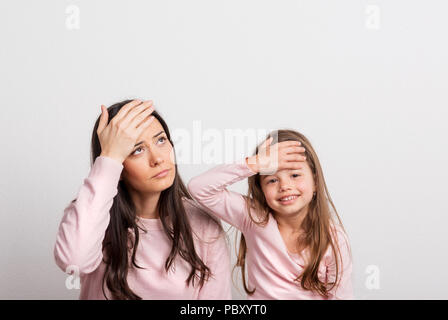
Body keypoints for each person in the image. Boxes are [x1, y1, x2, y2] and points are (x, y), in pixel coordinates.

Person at [54, 99, 231, 299]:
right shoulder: (90, 214)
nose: (157, 158)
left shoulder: (203, 225)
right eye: (137, 149)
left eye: (161, 140)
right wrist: (110, 157)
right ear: (118, 166)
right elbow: (74, 262)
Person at [188, 129, 353, 299]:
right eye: (272, 180)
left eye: (295, 175)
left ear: (316, 182)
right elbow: (199, 188)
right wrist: (255, 164)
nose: (284, 186)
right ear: (261, 188)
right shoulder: (253, 217)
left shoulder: (334, 240)